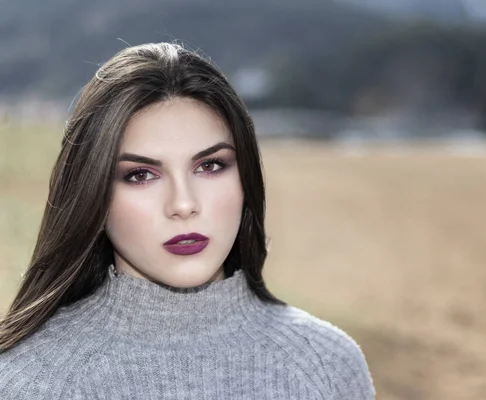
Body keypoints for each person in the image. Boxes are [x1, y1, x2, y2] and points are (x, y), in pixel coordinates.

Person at [0, 42, 375, 399]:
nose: (183, 204)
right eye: (141, 175)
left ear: (245, 178)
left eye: (210, 166)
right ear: (92, 194)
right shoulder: (29, 381)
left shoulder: (328, 364)